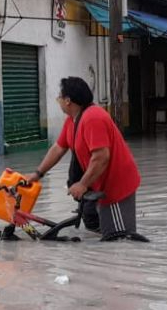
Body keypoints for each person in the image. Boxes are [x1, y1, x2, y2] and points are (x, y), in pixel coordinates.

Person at [25, 77, 146, 242]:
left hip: (115, 185)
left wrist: (82, 184)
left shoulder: (93, 118)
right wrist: (37, 174)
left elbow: (101, 157)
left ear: (68, 101)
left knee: (120, 240)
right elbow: (58, 148)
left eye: (59, 97)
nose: (58, 100)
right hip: (95, 185)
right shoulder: (72, 120)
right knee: (91, 226)